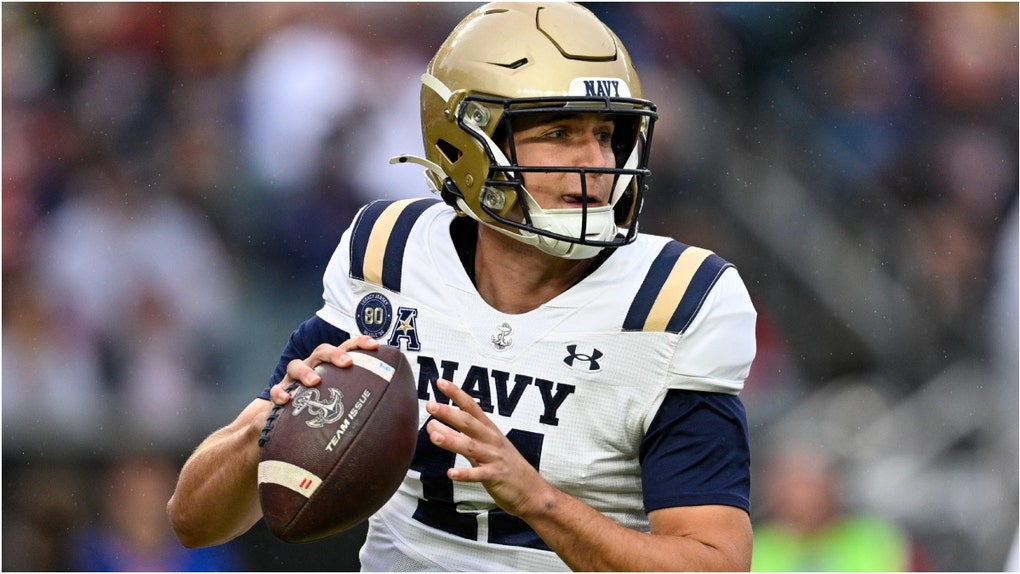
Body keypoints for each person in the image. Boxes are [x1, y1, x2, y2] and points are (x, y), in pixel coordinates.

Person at [167, 2, 757, 571]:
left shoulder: (676, 301)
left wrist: (538, 499)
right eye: (559, 132)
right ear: (468, 143)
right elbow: (193, 522)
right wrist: (266, 428)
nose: (597, 162)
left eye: (607, 133)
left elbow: (714, 564)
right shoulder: (390, 252)